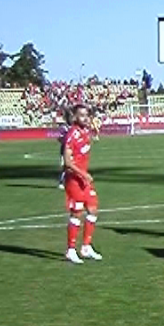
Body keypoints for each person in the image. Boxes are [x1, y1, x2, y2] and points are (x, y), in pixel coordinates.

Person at [61, 105, 103, 264]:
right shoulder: (71, 135)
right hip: (74, 180)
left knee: (93, 209)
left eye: (87, 115)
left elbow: (92, 135)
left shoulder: (85, 131)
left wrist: (96, 130)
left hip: (83, 180)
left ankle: (86, 247)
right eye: (82, 115)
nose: (86, 118)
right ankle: (71, 250)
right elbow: (67, 162)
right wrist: (83, 174)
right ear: (75, 117)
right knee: (77, 213)